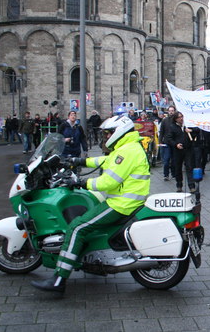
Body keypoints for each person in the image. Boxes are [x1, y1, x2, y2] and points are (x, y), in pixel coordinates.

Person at [31, 115, 150, 292]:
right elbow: (105, 160)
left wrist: (80, 182)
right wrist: (78, 161)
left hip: (122, 204)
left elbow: (108, 182)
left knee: (77, 227)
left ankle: (58, 280)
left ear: (120, 132)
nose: (107, 137)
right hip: (125, 200)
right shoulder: (127, 147)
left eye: (109, 133)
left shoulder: (127, 151)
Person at [166, 111, 196, 192]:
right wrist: (176, 144)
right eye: (179, 117)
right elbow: (169, 139)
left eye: (182, 116)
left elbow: (197, 132)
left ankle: (191, 186)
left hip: (188, 149)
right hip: (178, 151)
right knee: (178, 168)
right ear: (176, 119)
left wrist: (190, 131)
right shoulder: (172, 127)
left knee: (189, 167)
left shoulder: (187, 125)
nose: (181, 118)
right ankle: (179, 185)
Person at [159, 105, 176, 181]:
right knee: (166, 160)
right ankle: (166, 175)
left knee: (174, 160)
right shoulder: (165, 120)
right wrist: (160, 141)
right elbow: (161, 132)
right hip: (166, 143)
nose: (171, 112)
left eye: (172, 110)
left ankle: (173, 174)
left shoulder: (177, 120)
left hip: (175, 143)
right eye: (170, 111)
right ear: (168, 111)